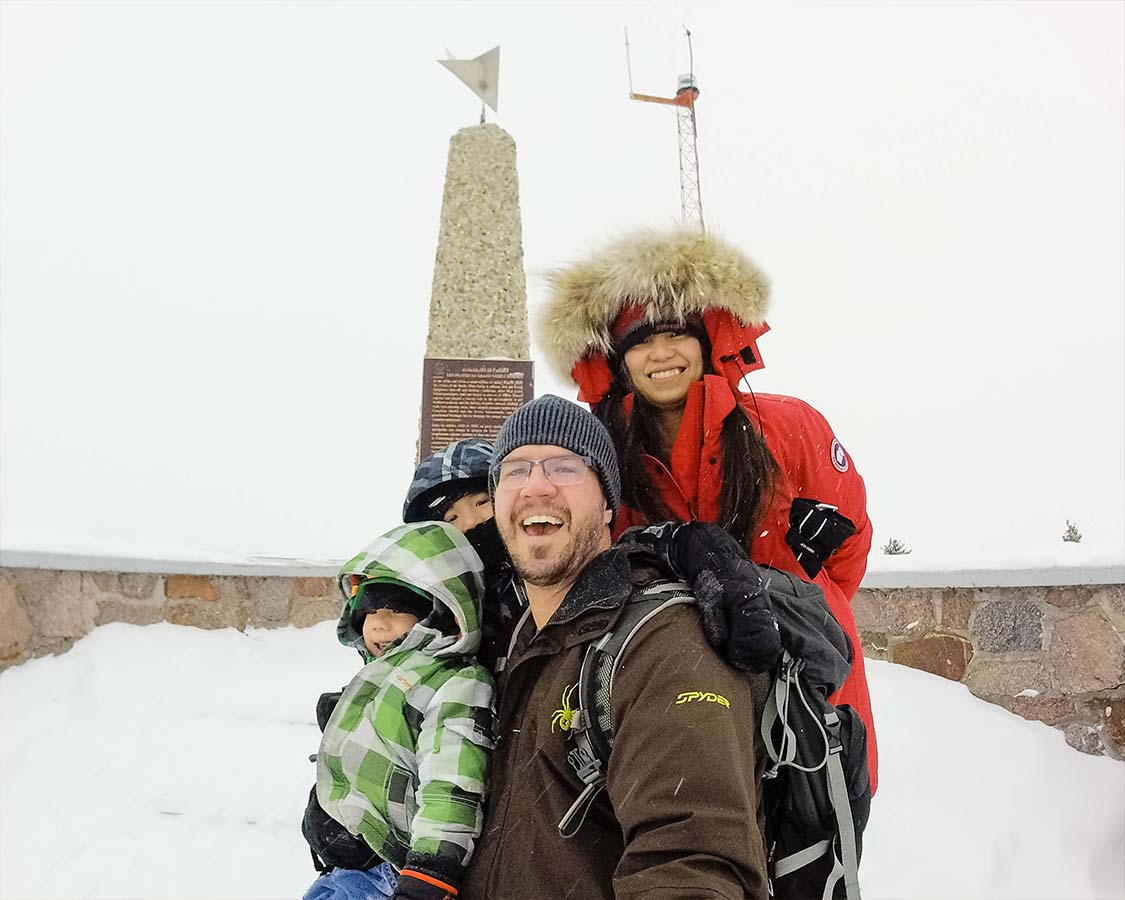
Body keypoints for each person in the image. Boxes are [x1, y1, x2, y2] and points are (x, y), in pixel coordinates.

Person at [537, 225, 879, 792]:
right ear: (618, 361)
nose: (662, 353)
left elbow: (848, 545)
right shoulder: (600, 455)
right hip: (676, 685)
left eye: (677, 334)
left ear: (706, 341)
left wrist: (792, 593)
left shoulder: (788, 428)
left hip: (806, 686)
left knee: (812, 856)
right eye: (641, 341)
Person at [462, 395, 771, 900]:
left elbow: (691, 862)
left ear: (607, 502)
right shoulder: (519, 637)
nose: (536, 486)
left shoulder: (662, 642)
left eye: (564, 467)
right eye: (515, 471)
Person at [302, 521, 495, 900]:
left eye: (397, 609)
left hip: (395, 875)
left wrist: (429, 876)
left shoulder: (456, 683)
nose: (379, 624)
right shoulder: (380, 675)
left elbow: (452, 785)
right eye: (371, 611)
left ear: (440, 613)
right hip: (352, 869)